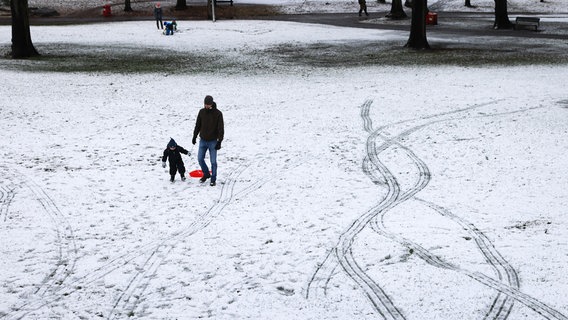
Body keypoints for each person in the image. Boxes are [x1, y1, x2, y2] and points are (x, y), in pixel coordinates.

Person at [192, 95, 224, 186]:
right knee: (200, 159)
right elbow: (198, 125)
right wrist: (194, 136)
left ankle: (213, 179)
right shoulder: (201, 112)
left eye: (208, 105)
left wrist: (219, 141)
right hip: (203, 140)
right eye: (205, 104)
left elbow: (221, 129)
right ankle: (206, 174)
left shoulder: (218, 114)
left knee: (213, 162)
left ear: (211, 104)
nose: (206, 106)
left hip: (213, 141)